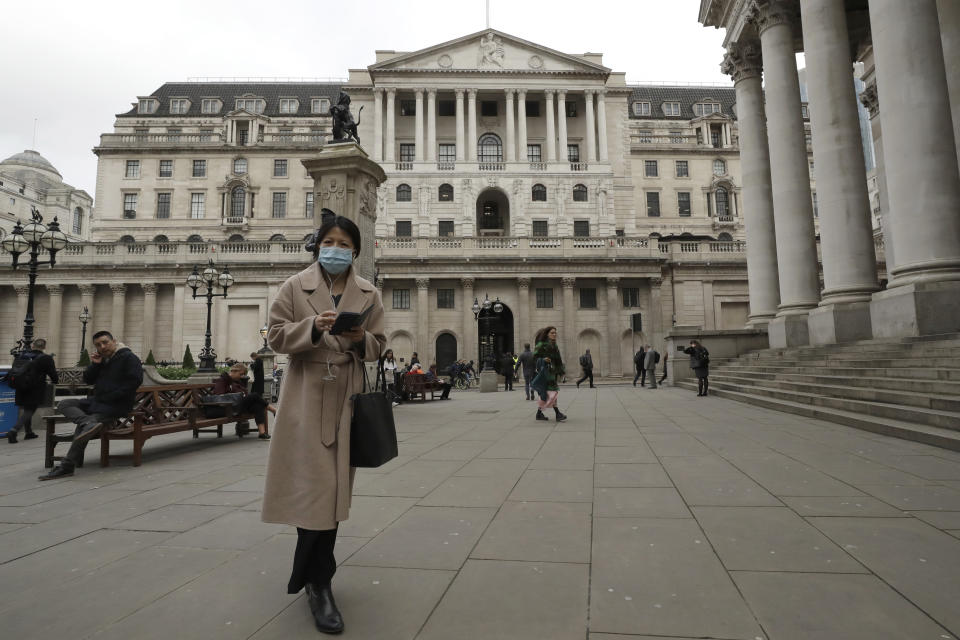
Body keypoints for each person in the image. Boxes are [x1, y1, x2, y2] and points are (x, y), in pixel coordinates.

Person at [261, 214, 385, 635]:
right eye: (328, 241)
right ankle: (319, 582)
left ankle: (313, 577)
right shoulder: (295, 286)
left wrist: (359, 340)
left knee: (331, 494)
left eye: (344, 242)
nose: (335, 248)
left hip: (345, 398)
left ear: (355, 250)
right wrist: (311, 327)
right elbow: (274, 336)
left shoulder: (368, 292)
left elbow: (379, 346)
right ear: (318, 246)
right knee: (313, 490)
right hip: (304, 396)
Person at [39, 331, 143, 480]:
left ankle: (67, 466)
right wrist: (95, 365)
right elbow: (88, 379)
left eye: (105, 342)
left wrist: (110, 397)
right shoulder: (103, 360)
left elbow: (134, 382)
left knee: (83, 428)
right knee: (65, 403)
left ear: (114, 341)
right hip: (97, 402)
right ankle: (87, 422)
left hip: (116, 405)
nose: (102, 346)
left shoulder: (129, 358)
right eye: (98, 345)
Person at [7, 338, 58, 444]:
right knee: (30, 410)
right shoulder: (46, 358)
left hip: (21, 386)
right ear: (44, 347)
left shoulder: (22, 355)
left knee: (27, 409)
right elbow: (53, 374)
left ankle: (29, 432)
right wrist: (55, 381)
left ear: (33, 346)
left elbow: (15, 369)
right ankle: (14, 430)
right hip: (35, 388)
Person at [209, 362, 273, 439]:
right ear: (234, 371)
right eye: (241, 374)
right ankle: (273, 410)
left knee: (257, 406)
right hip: (228, 408)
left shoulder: (236, 381)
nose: (242, 376)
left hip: (238, 407)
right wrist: (232, 393)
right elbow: (219, 395)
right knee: (255, 395)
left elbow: (244, 393)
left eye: (243, 375)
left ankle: (262, 433)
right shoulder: (222, 380)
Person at [531, 326, 567, 422]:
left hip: (552, 372)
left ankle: (539, 413)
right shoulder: (541, 344)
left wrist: (562, 373)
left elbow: (558, 360)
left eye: (555, 333)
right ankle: (557, 413)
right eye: (552, 333)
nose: (554, 334)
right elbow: (534, 358)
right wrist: (542, 359)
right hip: (545, 372)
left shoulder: (554, 346)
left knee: (548, 393)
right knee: (552, 392)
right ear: (547, 334)